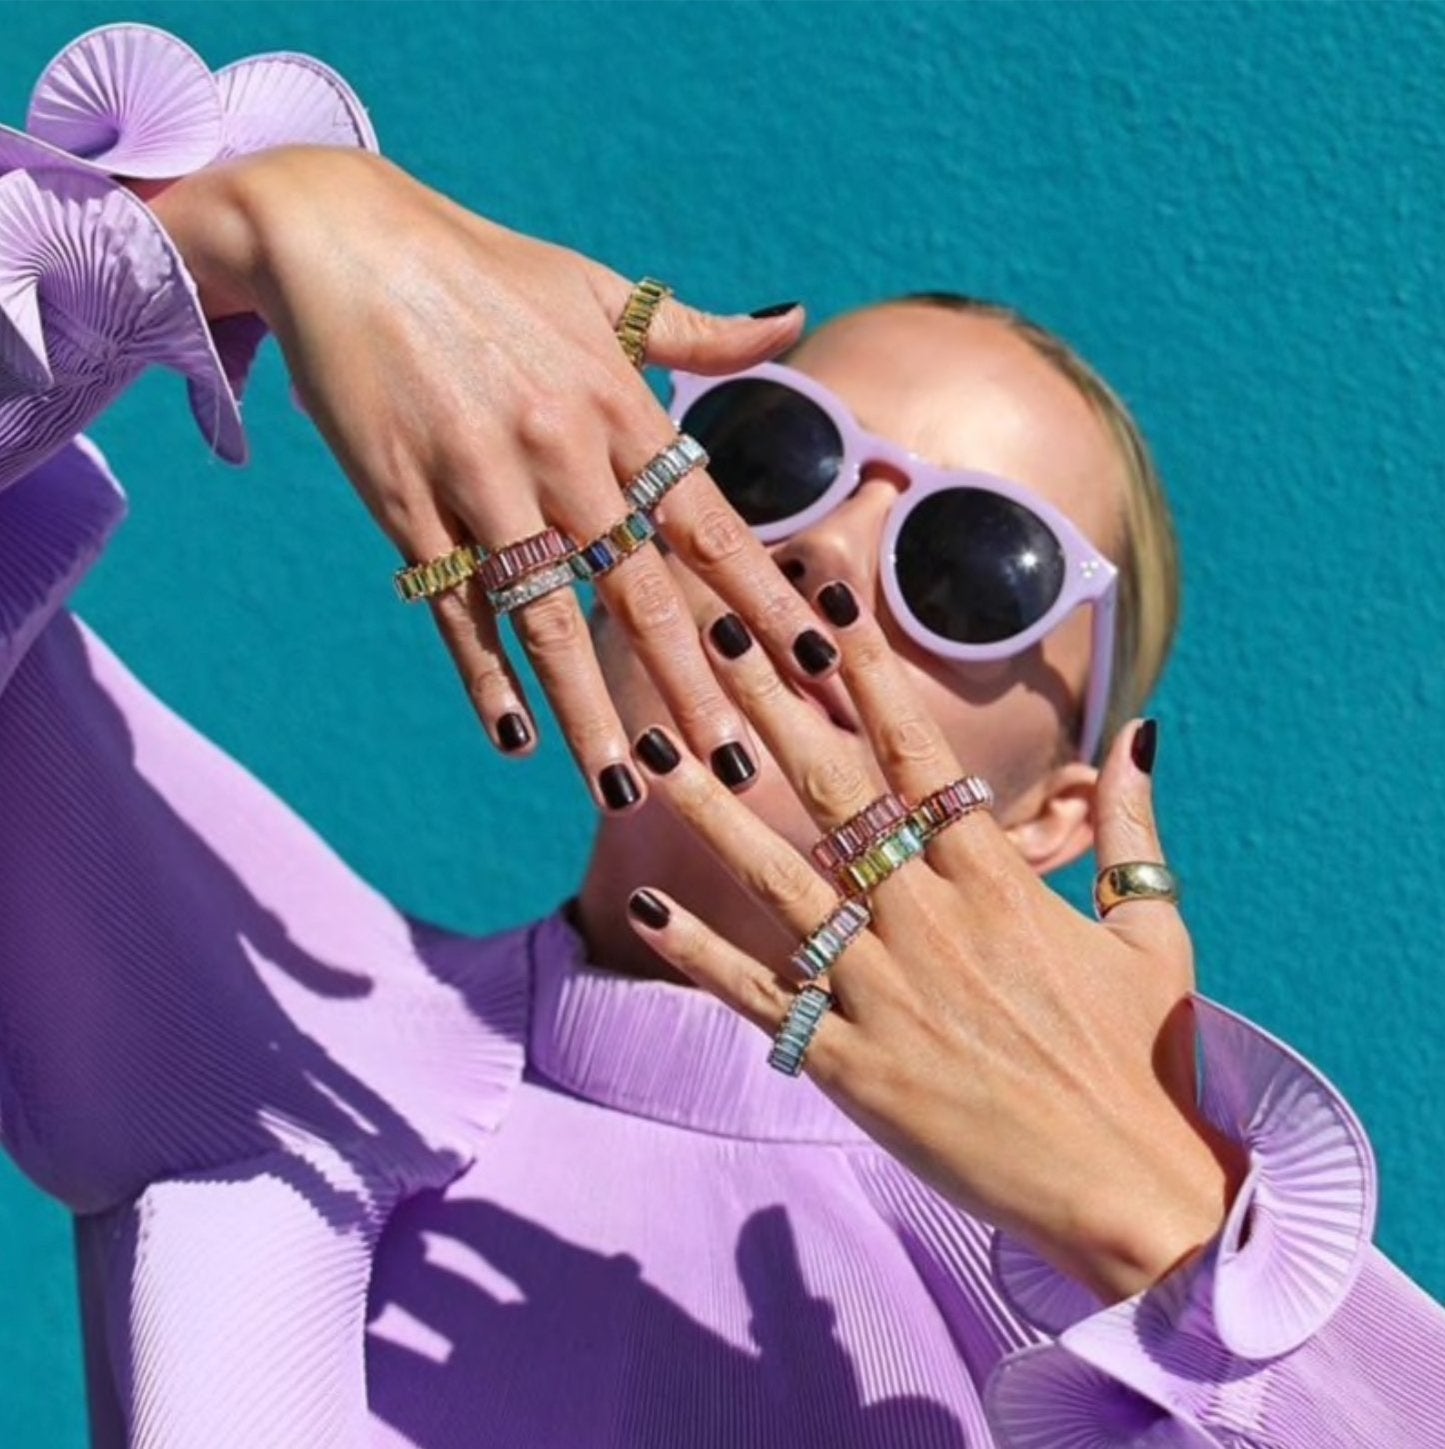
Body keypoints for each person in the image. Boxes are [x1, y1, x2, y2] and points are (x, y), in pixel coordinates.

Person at [1, 22, 1442, 1448]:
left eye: (971, 565)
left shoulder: (1139, 1335)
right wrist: (264, 218)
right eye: (766, 460)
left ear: (1060, 810)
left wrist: (1172, 1232)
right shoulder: (282, 1026)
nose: (823, 559)